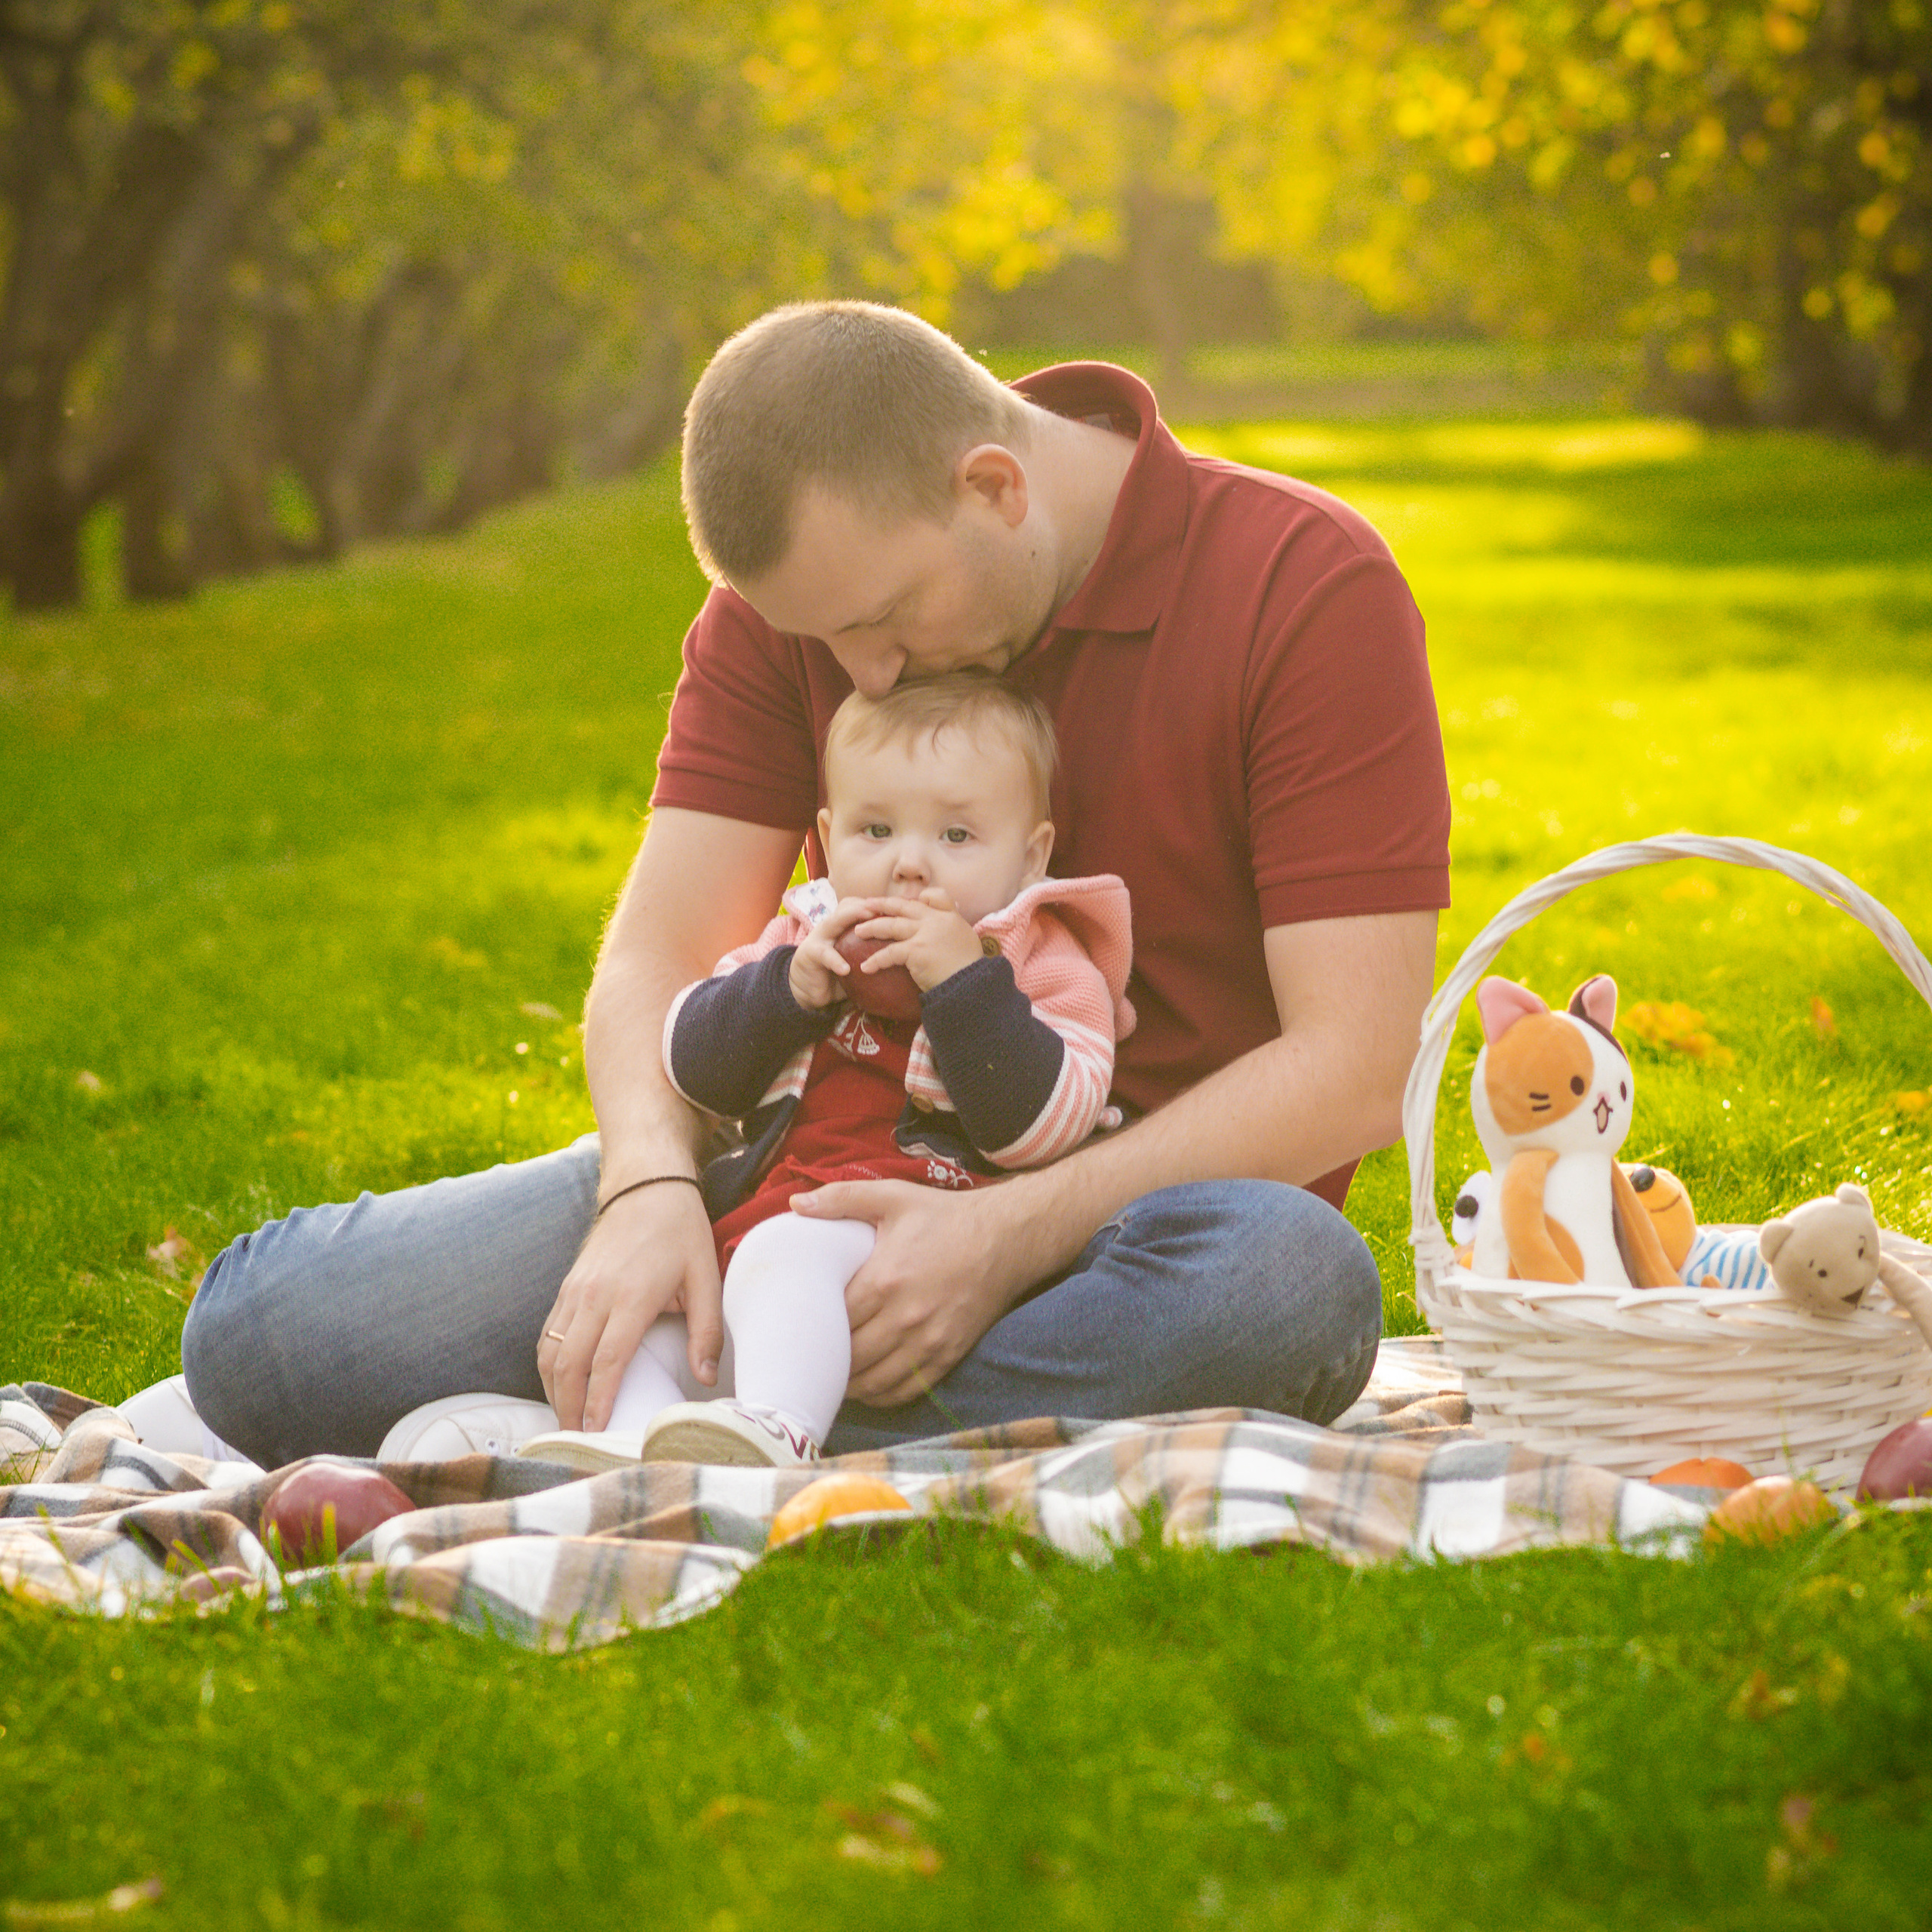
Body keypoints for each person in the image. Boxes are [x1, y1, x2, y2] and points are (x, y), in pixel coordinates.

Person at [176, 298, 1451, 1469]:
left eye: (886, 619)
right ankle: (779, 1411)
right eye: (826, 640)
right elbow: (659, 955)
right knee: (262, 1334)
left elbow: (1356, 1063)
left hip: (1133, 1237)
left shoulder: (1304, 583)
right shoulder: (795, 614)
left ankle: (682, 1423)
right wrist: (650, 1188)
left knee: (1295, 1284)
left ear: (996, 488)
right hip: (797, 1172)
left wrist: (1005, 1234)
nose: (867, 677)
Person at [512, 672, 1133, 1471]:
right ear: (829, 835)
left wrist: (961, 985)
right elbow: (693, 1068)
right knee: (640, 1328)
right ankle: (649, 1452)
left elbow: (1042, 1126)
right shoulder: (804, 937)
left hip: (908, 1234)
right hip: (759, 1231)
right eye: (876, 831)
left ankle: (779, 1431)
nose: (909, 866)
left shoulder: (1038, 960)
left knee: (787, 1253)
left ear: (1030, 854)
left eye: (955, 837)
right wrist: (788, 989)